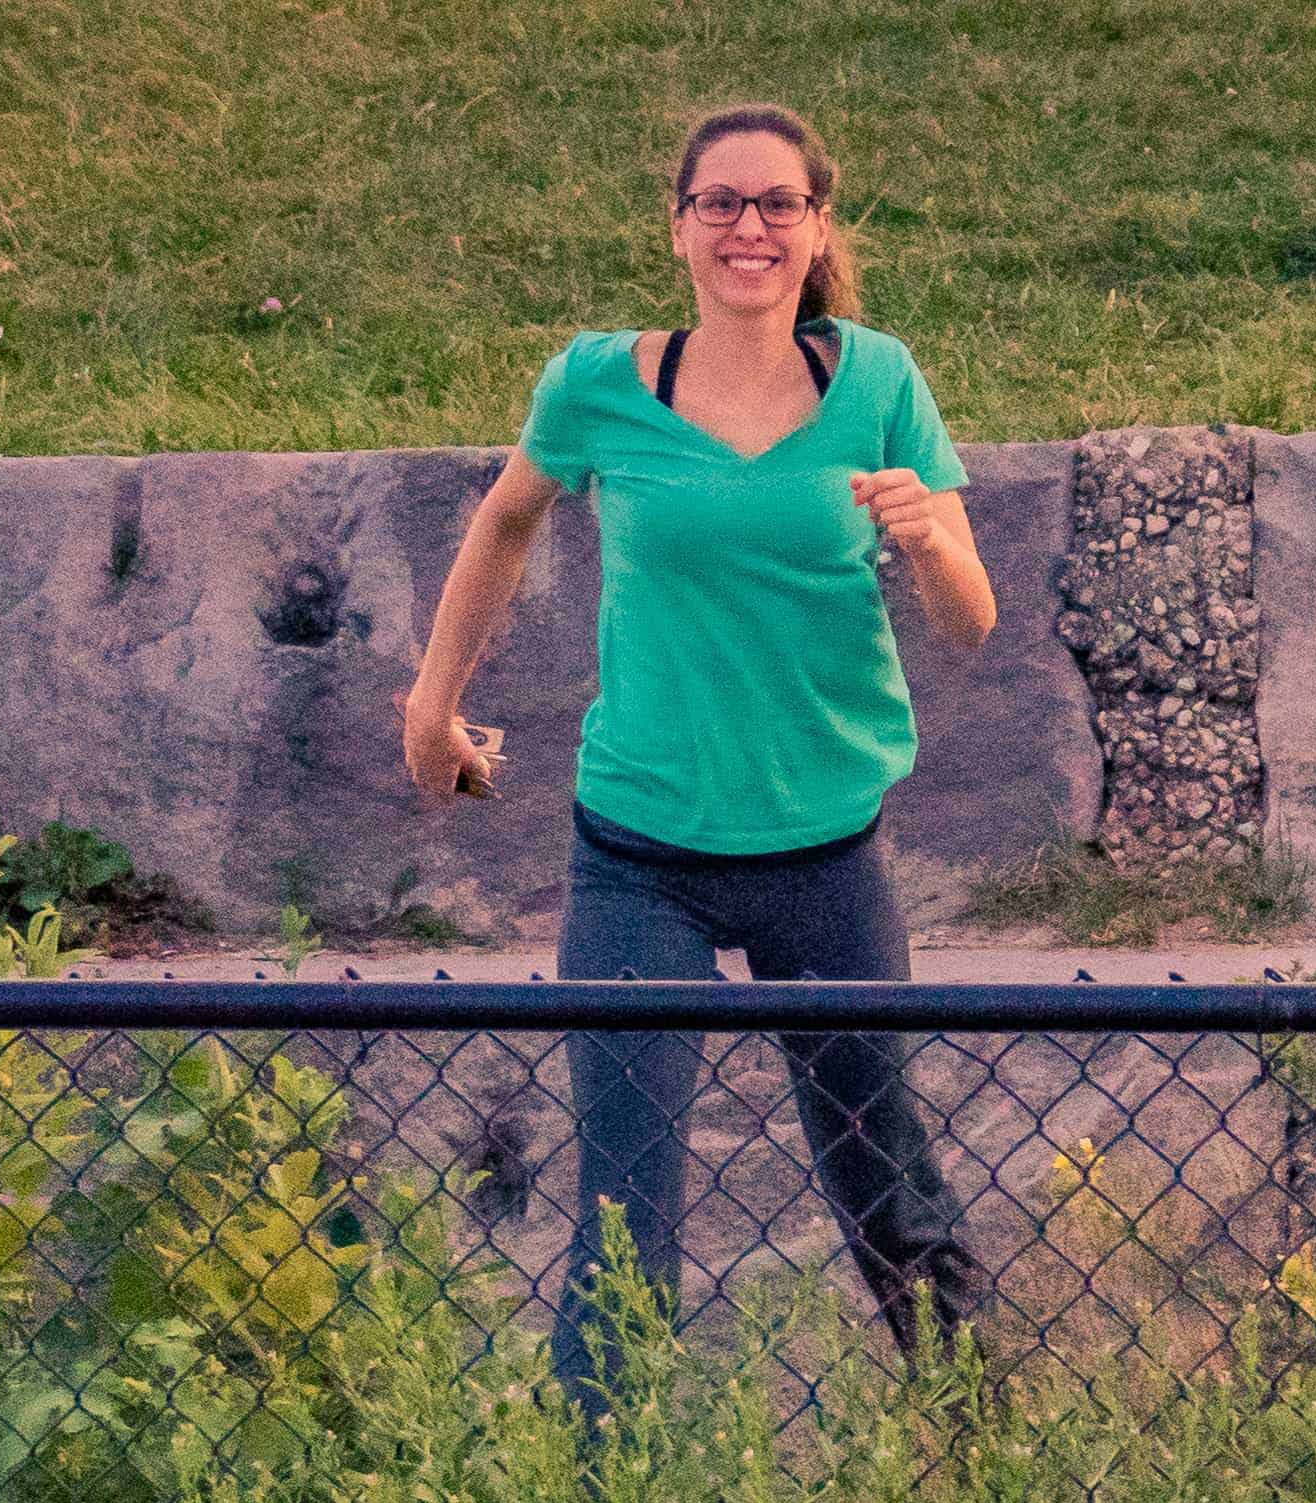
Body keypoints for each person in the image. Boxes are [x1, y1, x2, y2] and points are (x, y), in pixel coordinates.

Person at [398, 101, 998, 1405]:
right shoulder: (599, 385)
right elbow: (504, 525)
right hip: (638, 862)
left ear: (817, 226)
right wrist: (432, 702)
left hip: (827, 862)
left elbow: (971, 618)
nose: (750, 227)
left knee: (890, 1193)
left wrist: (929, 537)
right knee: (625, 1237)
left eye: (778, 203)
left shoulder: (881, 383)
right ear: (677, 229)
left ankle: (991, 1472)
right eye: (720, 203)